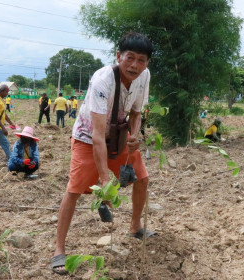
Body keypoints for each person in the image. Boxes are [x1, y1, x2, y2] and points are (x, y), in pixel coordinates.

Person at [51, 32, 155, 275]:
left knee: (142, 179)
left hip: (119, 135)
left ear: (147, 63)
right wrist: (105, 179)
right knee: (74, 190)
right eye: (130, 58)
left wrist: (134, 136)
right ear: (118, 56)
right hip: (89, 137)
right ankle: (58, 249)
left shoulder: (144, 76)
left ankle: (135, 226)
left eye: (141, 60)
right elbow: (98, 135)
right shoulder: (102, 80)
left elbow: (137, 113)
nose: (134, 65)